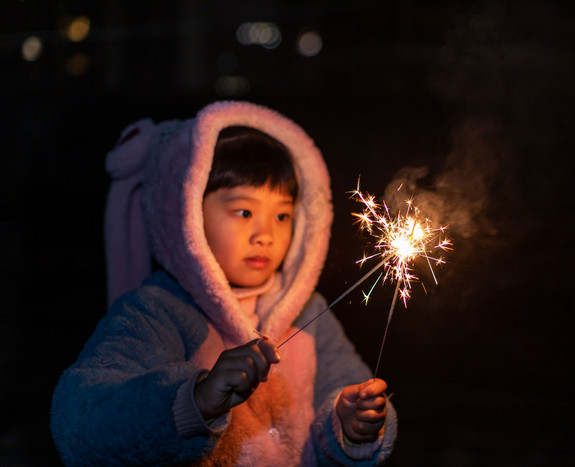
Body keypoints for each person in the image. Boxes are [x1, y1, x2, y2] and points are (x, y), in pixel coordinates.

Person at [50, 101, 397, 466]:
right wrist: (194, 400)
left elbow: (345, 390)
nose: (265, 234)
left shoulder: (310, 313)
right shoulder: (155, 311)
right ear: (185, 212)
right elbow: (81, 421)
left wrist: (350, 423)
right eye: (244, 211)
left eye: (282, 215)